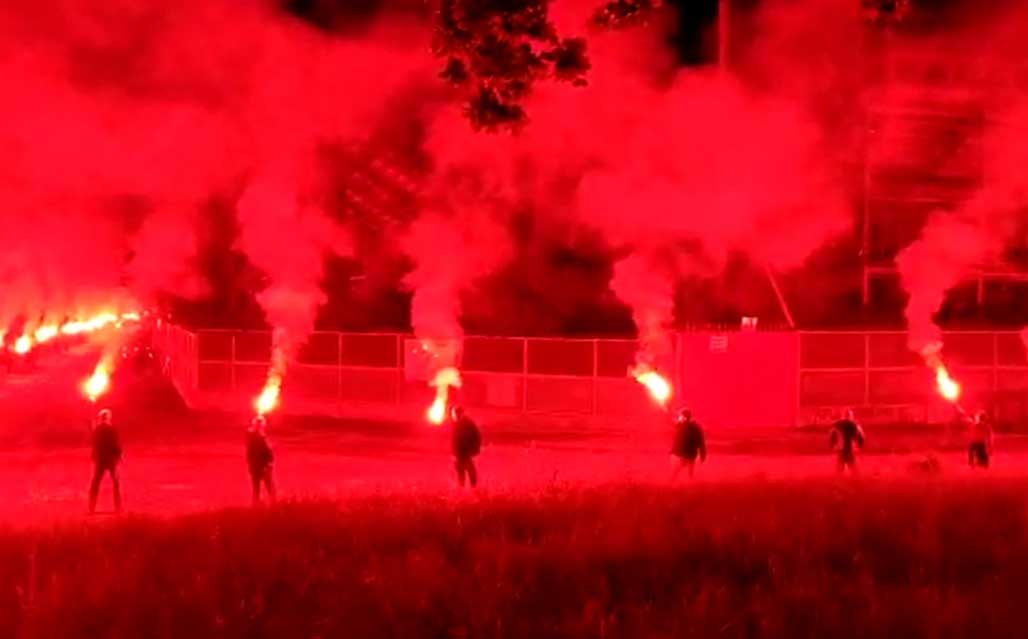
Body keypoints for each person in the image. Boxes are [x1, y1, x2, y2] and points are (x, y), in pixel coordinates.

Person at [89, 408, 122, 513]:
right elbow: (115, 444)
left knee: (95, 482)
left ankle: (91, 507)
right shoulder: (111, 429)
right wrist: (119, 455)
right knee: (116, 482)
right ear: (108, 418)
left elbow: (94, 444)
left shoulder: (96, 430)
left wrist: (94, 456)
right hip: (110, 459)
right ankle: (118, 507)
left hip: (100, 459)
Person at [449, 405, 482, 488]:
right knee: (464, 470)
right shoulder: (465, 423)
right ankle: (469, 486)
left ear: (457, 414)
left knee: (465, 470)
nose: (452, 416)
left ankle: (468, 486)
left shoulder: (463, 424)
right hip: (463, 451)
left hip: (463, 451)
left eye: (453, 414)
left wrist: (456, 451)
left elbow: (459, 439)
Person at [246, 415, 276, 505]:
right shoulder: (256, 438)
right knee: (268, 489)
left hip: (258, 467)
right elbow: (263, 452)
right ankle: (271, 505)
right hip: (261, 467)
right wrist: (268, 463)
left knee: (257, 490)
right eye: (261, 425)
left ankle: (257, 506)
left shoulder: (255, 437)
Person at [670, 407, 707, 479]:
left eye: (681, 416)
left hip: (689, 453)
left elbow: (701, 441)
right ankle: (688, 482)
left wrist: (703, 454)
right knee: (685, 469)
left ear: (685, 417)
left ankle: (673, 482)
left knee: (680, 469)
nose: (680, 418)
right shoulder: (683, 425)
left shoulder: (694, 427)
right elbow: (675, 424)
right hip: (687, 453)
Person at [830, 408, 865, 474]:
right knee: (853, 468)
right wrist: (859, 446)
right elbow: (861, 437)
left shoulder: (837, 425)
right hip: (849, 449)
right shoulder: (855, 426)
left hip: (842, 449)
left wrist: (833, 445)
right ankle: (855, 480)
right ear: (851, 416)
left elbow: (832, 436)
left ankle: (839, 480)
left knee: (841, 468)